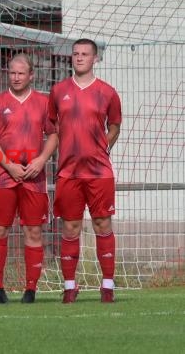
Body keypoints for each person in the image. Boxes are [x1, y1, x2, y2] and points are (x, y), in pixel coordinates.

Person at [48, 38, 122, 303]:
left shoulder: (107, 92)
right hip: (68, 172)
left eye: (85, 54)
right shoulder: (58, 91)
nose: (79, 58)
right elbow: (52, 126)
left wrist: (104, 146)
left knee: (103, 223)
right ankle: (70, 286)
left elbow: (114, 125)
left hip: (99, 172)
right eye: (75, 54)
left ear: (95, 58)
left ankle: (108, 285)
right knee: (70, 228)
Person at [0, 53, 58, 304]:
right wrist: (8, 165)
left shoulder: (44, 103)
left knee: (33, 231)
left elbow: (54, 135)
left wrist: (41, 160)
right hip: (4, 177)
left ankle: (31, 289)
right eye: (12, 73)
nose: (15, 77)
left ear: (31, 75)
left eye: (20, 73)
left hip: (34, 178)